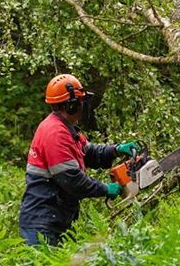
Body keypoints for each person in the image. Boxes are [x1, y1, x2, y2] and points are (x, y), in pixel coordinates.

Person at [19, 74, 138, 246]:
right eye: (80, 102)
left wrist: (115, 150)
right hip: (43, 221)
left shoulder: (66, 129)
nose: (83, 106)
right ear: (71, 105)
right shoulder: (55, 133)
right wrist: (105, 189)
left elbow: (89, 153)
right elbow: (71, 179)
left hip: (56, 218)